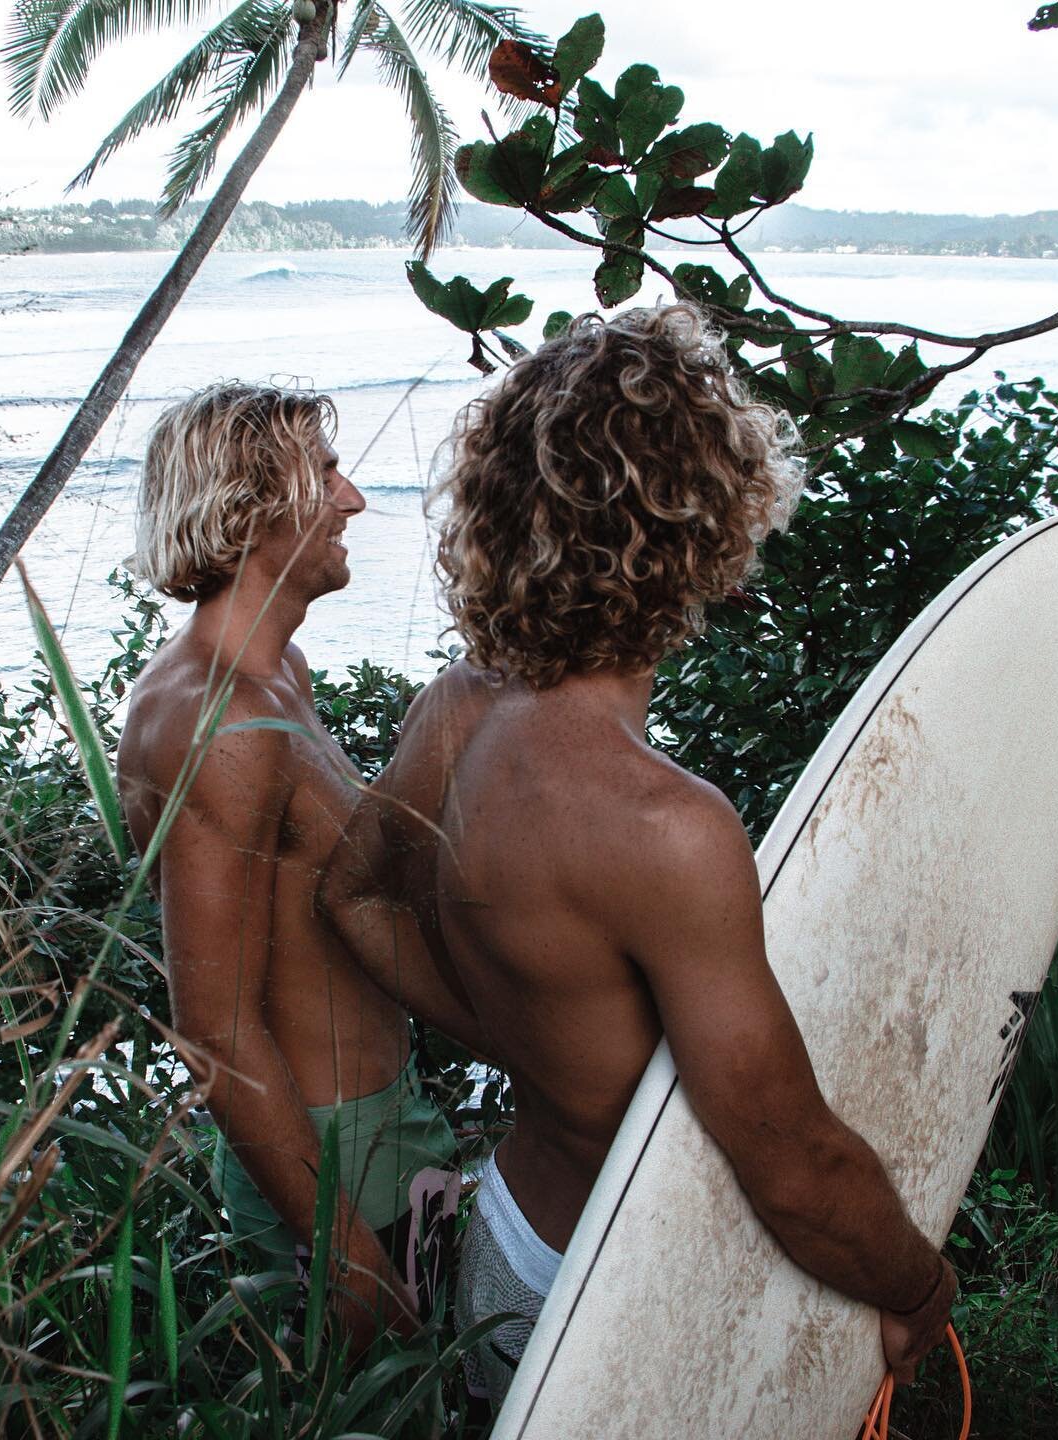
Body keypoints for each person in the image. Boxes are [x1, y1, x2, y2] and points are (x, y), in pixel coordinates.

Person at [321, 306, 956, 1406]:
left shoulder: (459, 715)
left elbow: (355, 895)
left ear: (502, 509)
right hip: (615, 1280)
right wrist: (917, 1282)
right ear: (708, 524)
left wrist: (521, 1033)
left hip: (511, 1239)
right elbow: (794, 1165)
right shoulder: (667, 825)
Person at [116, 381, 460, 1352]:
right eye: (327, 475)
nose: (352, 500)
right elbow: (215, 1035)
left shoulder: (273, 679)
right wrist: (347, 1265)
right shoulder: (214, 716)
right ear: (249, 509)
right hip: (329, 1166)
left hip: (381, 1136)